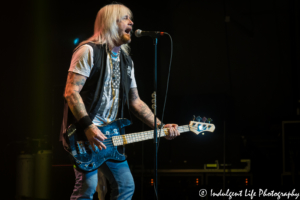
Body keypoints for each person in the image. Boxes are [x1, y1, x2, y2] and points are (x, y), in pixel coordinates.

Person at [60, 3, 180, 200]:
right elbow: (71, 92)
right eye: (125, 18)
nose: (131, 22)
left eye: (130, 18)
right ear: (109, 22)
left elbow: (136, 102)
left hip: (111, 135)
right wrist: (89, 127)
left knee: (125, 186)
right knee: (87, 188)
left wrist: (161, 126)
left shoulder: (126, 61)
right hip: (83, 133)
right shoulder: (87, 51)